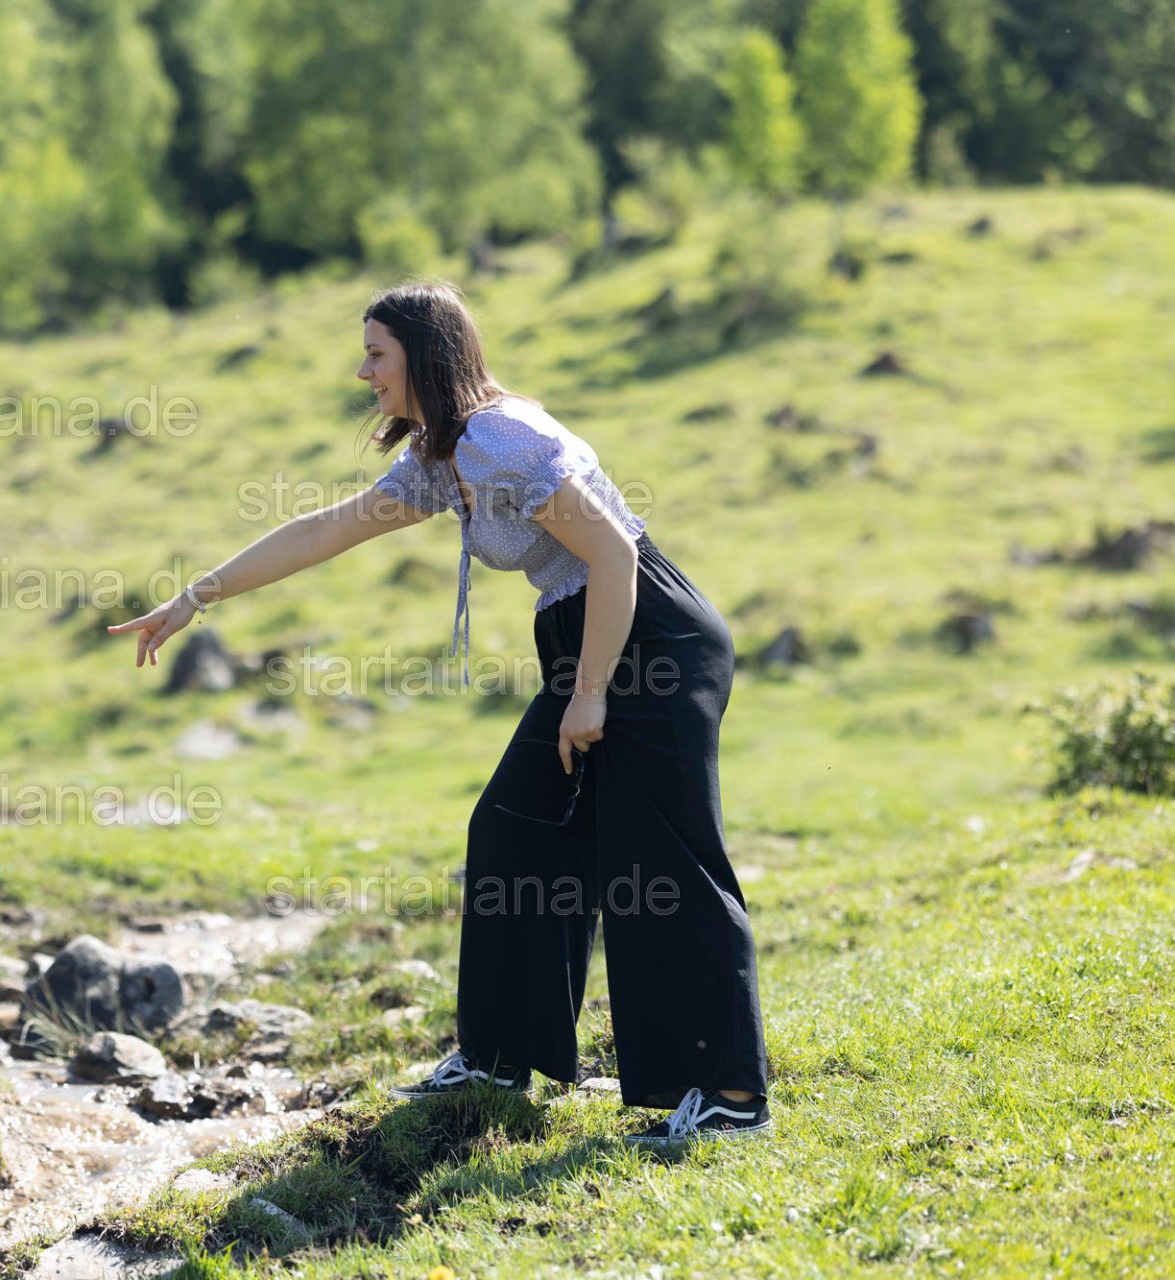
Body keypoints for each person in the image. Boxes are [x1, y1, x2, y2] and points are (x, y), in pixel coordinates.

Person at [107, 282, 771, 1148]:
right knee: (513, 829)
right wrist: (195, 597)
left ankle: (729, 1096)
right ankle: (501, 1058)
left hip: (648, 639)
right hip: (590, 643)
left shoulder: (500, 440)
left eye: (376, 354)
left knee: (666, 860)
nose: (363, 372)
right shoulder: (440, 456)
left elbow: (614, 554)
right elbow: (323, 530)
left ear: (424, 355)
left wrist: (592, 692)